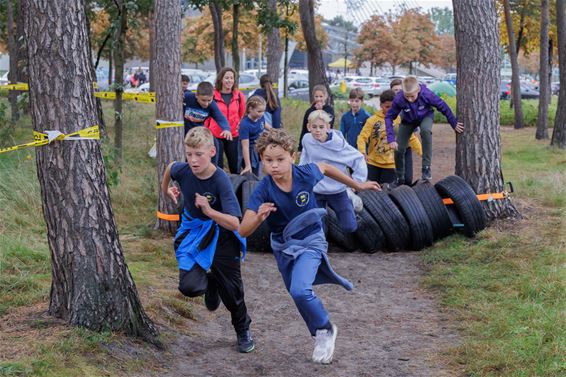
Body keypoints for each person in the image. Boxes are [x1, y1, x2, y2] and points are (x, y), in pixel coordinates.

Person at [239, 128, 379, 364]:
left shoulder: (305, 174)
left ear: (292, 157)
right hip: (283, 247)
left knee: (300, 290)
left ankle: (326, 329)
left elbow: (325, 167)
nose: (274, 166)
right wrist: (258, 218)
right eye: (268, 160)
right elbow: (243, 230)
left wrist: (356, 184)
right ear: (261, 160)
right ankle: (319, 334)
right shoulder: (263, 189)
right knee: (297, 294)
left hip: (312, 240)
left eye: (280, 159)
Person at [161, 126, 254, 353]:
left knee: (232, 294)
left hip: (223, 236)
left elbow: (235, 224)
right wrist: (167, 190)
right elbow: (170, 169)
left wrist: (210, 210)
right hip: (194, 233)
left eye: (199, 155)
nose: (193, 161)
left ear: (212, 152)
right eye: (189, 154)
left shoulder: (220, 180)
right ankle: (210, 283)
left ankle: (243, 330)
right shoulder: (183, 170)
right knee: (189, 287)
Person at [386, 76, 464, 184]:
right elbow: (389, 117)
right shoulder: (399, 99)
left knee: (425, 131)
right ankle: (400, 177)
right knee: (399, 148)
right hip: (408, 121)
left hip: (425, 116)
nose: (409, 99)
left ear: (418, 89)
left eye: (412, 96)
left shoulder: (427, 94)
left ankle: (426, 168)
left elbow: (442, 106)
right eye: (406, 96)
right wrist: (391, 139)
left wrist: (453, 123)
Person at [300, 110, 369, 232]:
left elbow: (358, 159)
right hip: (316, 189)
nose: (317, 130)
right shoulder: (307, 139)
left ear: (328, 127)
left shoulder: (338, 145)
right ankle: (320, 244)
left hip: (337, 189)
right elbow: (306, 155)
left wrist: (357, 181)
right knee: (317, 227)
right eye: (314, 127)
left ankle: (351, 200)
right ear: (308, 127)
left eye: (321, 127)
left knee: (349, 227)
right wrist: (302, 175)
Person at [358, 89, 422, 185]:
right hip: (373, 163)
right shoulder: (372, 120)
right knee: (371, 192)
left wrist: (422, 153)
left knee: (386, 193)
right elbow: (362, 137)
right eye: (387, 107)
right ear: (381, 105)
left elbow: (412, 138)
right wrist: (362, 152)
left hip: (391, 165)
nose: (390, 110)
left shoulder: (401, 121)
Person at [206, 67, 246, 173]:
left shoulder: (239, 96)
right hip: (215, 135)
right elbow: (207, 115)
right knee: (217, 167)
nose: (229, 80)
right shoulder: (213, 95)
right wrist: (206, 130)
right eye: (226, 78)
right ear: (221, 80)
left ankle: (235, 188)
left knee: (235, 166)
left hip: (233, 135)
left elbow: (243, 114)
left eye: (231, 78)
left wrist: (239, 126)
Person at [298, 85, 335, 153]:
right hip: (311, 141)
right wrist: (300, 148)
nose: (318, 99)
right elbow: (304, 129)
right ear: (313, 97)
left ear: (325, 96)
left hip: (324, 142)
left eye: (321, 96)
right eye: (316, 96)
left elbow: (329, 125)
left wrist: (320, 111)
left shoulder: (329, 110)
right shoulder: (309, 111)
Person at [239, 96, 271, 176]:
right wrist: (247, 165)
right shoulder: (245, 124)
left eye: (263, 111)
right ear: (250, 109)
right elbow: (245, 147)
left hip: (258, 148)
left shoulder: (260, 117)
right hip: (249, 152)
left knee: (259, 170)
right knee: (254, 173)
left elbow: (263, 124)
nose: (262, 113)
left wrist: (274, 131)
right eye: (259, 111)